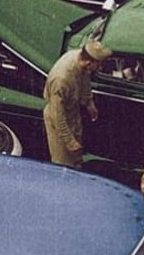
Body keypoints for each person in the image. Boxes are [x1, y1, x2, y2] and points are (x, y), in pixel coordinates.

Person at [42, 38, 111, 167]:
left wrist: (89, 103)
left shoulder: (80, 60)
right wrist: (69, 141)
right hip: (58, 119)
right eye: (99, 64)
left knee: (76, 157)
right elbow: (57, 114)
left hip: (72, 111)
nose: (100, 67)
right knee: (63, 163)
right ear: (89, 62)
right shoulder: (61, 79)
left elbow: (85, 78)